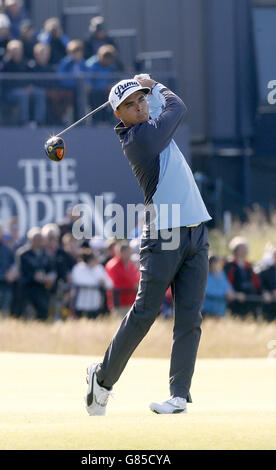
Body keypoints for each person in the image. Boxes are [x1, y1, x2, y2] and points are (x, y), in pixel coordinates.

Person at [85, 75, 211, 416]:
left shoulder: (148, 121)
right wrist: (153, 83)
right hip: (164, 235)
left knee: (190, 316)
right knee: (144, 314)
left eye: (141, 99)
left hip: (196, 228)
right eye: (130, 104)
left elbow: (161, 106)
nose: (140, 106)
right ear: (119, 115)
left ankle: (179, 396)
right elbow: (177, 106)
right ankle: (102, 377)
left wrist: (144, 86)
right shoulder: (139, 138)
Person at [224, 236, 261, 318]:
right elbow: (226, 283)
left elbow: (256, 283)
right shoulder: (230, 265)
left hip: (249, 298)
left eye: (245, 248)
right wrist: (235, 294)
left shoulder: (249, 266)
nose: (245, 251)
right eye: (242, 248)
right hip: (235, 299)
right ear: (235, 250)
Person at [71, 248, 113, 319]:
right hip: (81, 304)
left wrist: (103, 282)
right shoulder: (78, 268)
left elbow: (110, 284)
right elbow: (78, 281)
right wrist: (97, 281)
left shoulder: (99, 268)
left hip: (95, 304)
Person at [105, 241, 140, 316]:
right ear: (120, 252)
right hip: (119, 303)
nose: (130, 254)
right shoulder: (112, 265)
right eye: (127, 252)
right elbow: (114, 283)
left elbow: (136, 278)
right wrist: (133, 285)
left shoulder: (131, 264)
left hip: (131, 301)